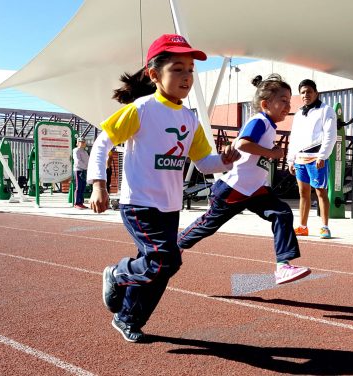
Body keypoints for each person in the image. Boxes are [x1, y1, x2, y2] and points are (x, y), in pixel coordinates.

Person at [88, 34, 238, 343]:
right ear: (155, 74)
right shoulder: (141, 109)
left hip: (170, 207)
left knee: (161, 268)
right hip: (139, 203)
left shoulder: (189, 119)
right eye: (177, 69)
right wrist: (98, 185)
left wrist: (223, 161)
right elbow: (102, 142)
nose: (186, 77)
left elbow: (203, 162)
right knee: (165, 260)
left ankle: (128, 317)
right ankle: (118, 274)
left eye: (190, 71)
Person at [178, 74, 311, 284]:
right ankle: (178, 244)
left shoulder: (269, 125)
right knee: (208, 225)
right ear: (266, 104)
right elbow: (241, 144)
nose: (288, 106)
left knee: (282, 213)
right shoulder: (259, 121)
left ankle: (283, 266)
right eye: (283, 101)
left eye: (289, 101)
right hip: (234, 188)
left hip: (255, 189)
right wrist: (271, 152)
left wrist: (270, 152)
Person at [286, 79, 337, 239]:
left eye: (309, 91)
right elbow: (293, 137)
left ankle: (324, 226)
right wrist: (290, 159)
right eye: (302, 92)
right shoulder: (299, 113)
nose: (306, 95)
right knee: (303, 193)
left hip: (316, 157)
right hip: (300, 158)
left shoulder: (326, 110)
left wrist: (323, 155)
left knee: (321, 192)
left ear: (316, 93)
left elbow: (330, 134)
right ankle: (302, 226)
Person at [72, 137, 89, 209]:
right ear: (77, 143)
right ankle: (76, 203)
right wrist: (86, 167)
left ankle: (81, 202)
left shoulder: (85, 152)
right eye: (80, 142)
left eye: (83, 142)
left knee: (83, 187)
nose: (82, 143)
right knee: (78, 187)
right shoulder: (76, 150)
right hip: (78, 170)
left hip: (84, 170)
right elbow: (77, 161)